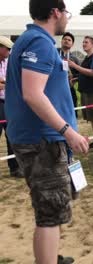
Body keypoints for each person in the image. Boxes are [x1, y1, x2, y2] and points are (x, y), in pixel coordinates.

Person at [5, 0, 89, 263]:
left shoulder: (32, 39)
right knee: (50, 214)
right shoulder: (40, 42)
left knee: (53, 208)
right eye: (66, 13)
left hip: (43, 139)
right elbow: (32, 94)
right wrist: (68, 131)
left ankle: (52, 256)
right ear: (56, 12)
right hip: (43, 141)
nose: (67, 19)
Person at [0, 36, 21, 178]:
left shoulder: (8, 62)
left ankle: (15, 168)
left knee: (11, 134)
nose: (9, 51)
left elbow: (13, 80)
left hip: (7, 102)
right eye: (7, 49)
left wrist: (3, 82)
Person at [77, 36, 93, 146]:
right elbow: (84, 73)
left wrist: (75, 66)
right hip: (84, 91)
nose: (84, 44)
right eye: (83, 42)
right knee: (91, 118)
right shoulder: (86, 58)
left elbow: (92, 73)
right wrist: (76, 78)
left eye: (86, 42)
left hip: (92, 91)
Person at [58, 32, 80, 117]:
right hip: (55, 88)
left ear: (72, 44)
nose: (66, 41)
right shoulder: (54, 53)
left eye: (69, 40)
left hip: (69, 88)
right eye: (65, 39)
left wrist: (73, 80)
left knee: (72, 112)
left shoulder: (74, 58)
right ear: (61, 41)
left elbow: (79, 74)